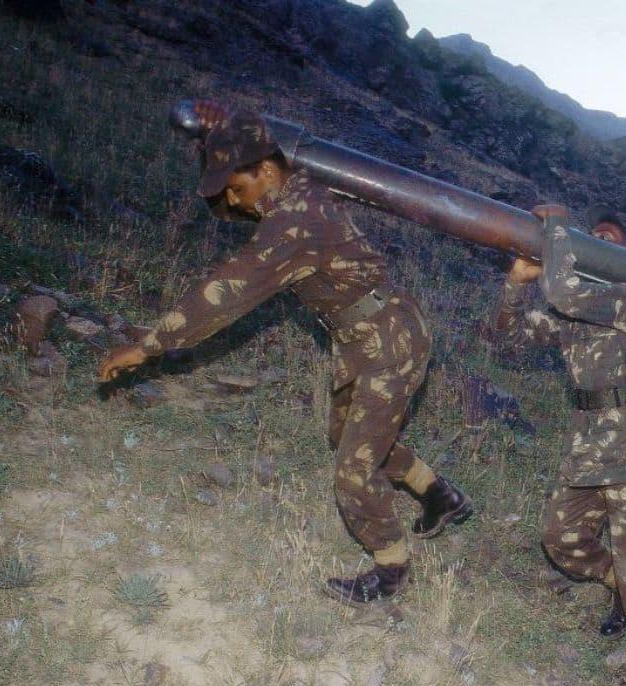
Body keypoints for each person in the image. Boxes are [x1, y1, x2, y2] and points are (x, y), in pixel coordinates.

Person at [97, 109, 472, 602]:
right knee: (347, 436)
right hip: (367, 336)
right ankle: (439, 494)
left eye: (237, 188)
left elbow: (228, 290)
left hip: (389, 341)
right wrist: (212, 129)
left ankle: (391, 570)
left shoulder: (297, 221)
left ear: (269, 171)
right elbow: (250, 164)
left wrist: (148, 345)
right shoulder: (294, 193)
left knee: (353, 471)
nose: (234, 201)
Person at [493, 203, 626, 686]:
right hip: (589, 443)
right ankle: (619, 586)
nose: (596, 241)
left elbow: (561, 291)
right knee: (561, 538)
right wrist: (515, 283)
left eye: (607, 238)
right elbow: (507, 339)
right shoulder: (575, 313)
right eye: (591, 235)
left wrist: (556, 227)